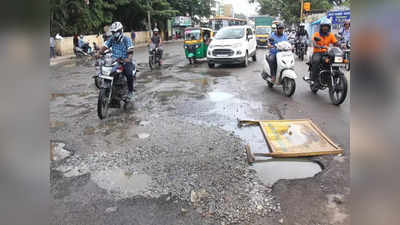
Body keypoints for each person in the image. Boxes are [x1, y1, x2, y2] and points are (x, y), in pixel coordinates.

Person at [97, 22, 135, 99]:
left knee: (129, 74)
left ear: (121, 31)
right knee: (107, 72)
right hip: (114, 61)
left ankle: (130, 91)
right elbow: (105, 47)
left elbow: (131, 50)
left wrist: (128, 58)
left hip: (125, 61)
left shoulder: (126, 39)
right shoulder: (112, 39)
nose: (115, 34)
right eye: (113, 32)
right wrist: (99, 53)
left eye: (116, 32)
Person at [310, 18, 339, 88]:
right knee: (316, 61)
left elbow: (335, 42)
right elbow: (314, 42)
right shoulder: (317, 34)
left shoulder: (331, 35)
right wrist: (318, 46)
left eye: (327, 26)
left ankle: (335, 77)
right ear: (321, 27)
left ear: (329, 27)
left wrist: (340, 44)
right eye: (323, 26)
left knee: (336, 60)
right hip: (318, 52)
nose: (325, 28)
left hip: (327, 52)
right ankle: (314, 80)